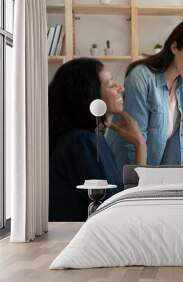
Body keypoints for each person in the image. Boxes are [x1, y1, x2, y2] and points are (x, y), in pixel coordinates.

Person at [107, 18, 183, 171]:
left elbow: (179, 143)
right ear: (174, 47)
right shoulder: (141, 78)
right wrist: (140, 184)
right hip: (126, 174)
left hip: (155, 177)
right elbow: (135, 143)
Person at [49, 58, 146, 222]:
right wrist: (141, 145)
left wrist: (139, 144)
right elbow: (117, 208)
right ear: (90, 94)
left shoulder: (85, 139)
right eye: (111, 84)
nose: (120, 88)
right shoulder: (81, 143)